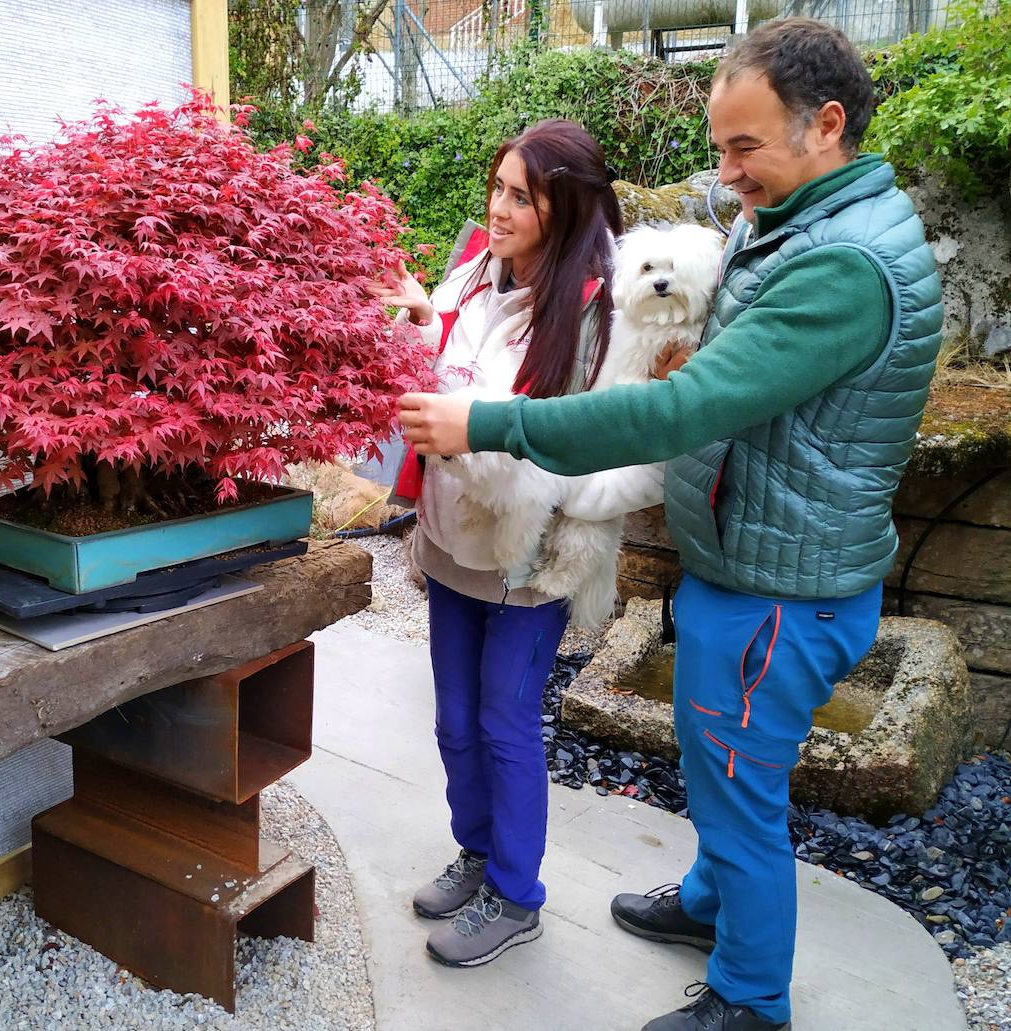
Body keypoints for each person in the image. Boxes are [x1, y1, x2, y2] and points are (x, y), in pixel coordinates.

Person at [397, 18, 942, 1031]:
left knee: (740, 793)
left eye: (744, 147)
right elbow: (742, 373)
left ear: (828, 125)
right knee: (717, 766)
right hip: (752, 557)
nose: (726, 173)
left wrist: (492, 421)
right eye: (720, 146)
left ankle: (749, 998)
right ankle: (705, 904)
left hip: (785, 584)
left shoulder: (844, 262)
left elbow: (678, 415)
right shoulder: (794, 217)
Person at [371, 119, 674, 969]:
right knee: (455, 723)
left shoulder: (604, 318)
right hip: (452, 540)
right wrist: (423, 318)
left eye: (521, 196)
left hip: (533, 565)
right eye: (497, 187)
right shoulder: (473, 274)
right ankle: (477, 852)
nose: (497, 210)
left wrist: (553, 493)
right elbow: (450, 390)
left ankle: (517, 892)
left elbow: (642, 460)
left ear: (566, 207)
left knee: (505, 722)